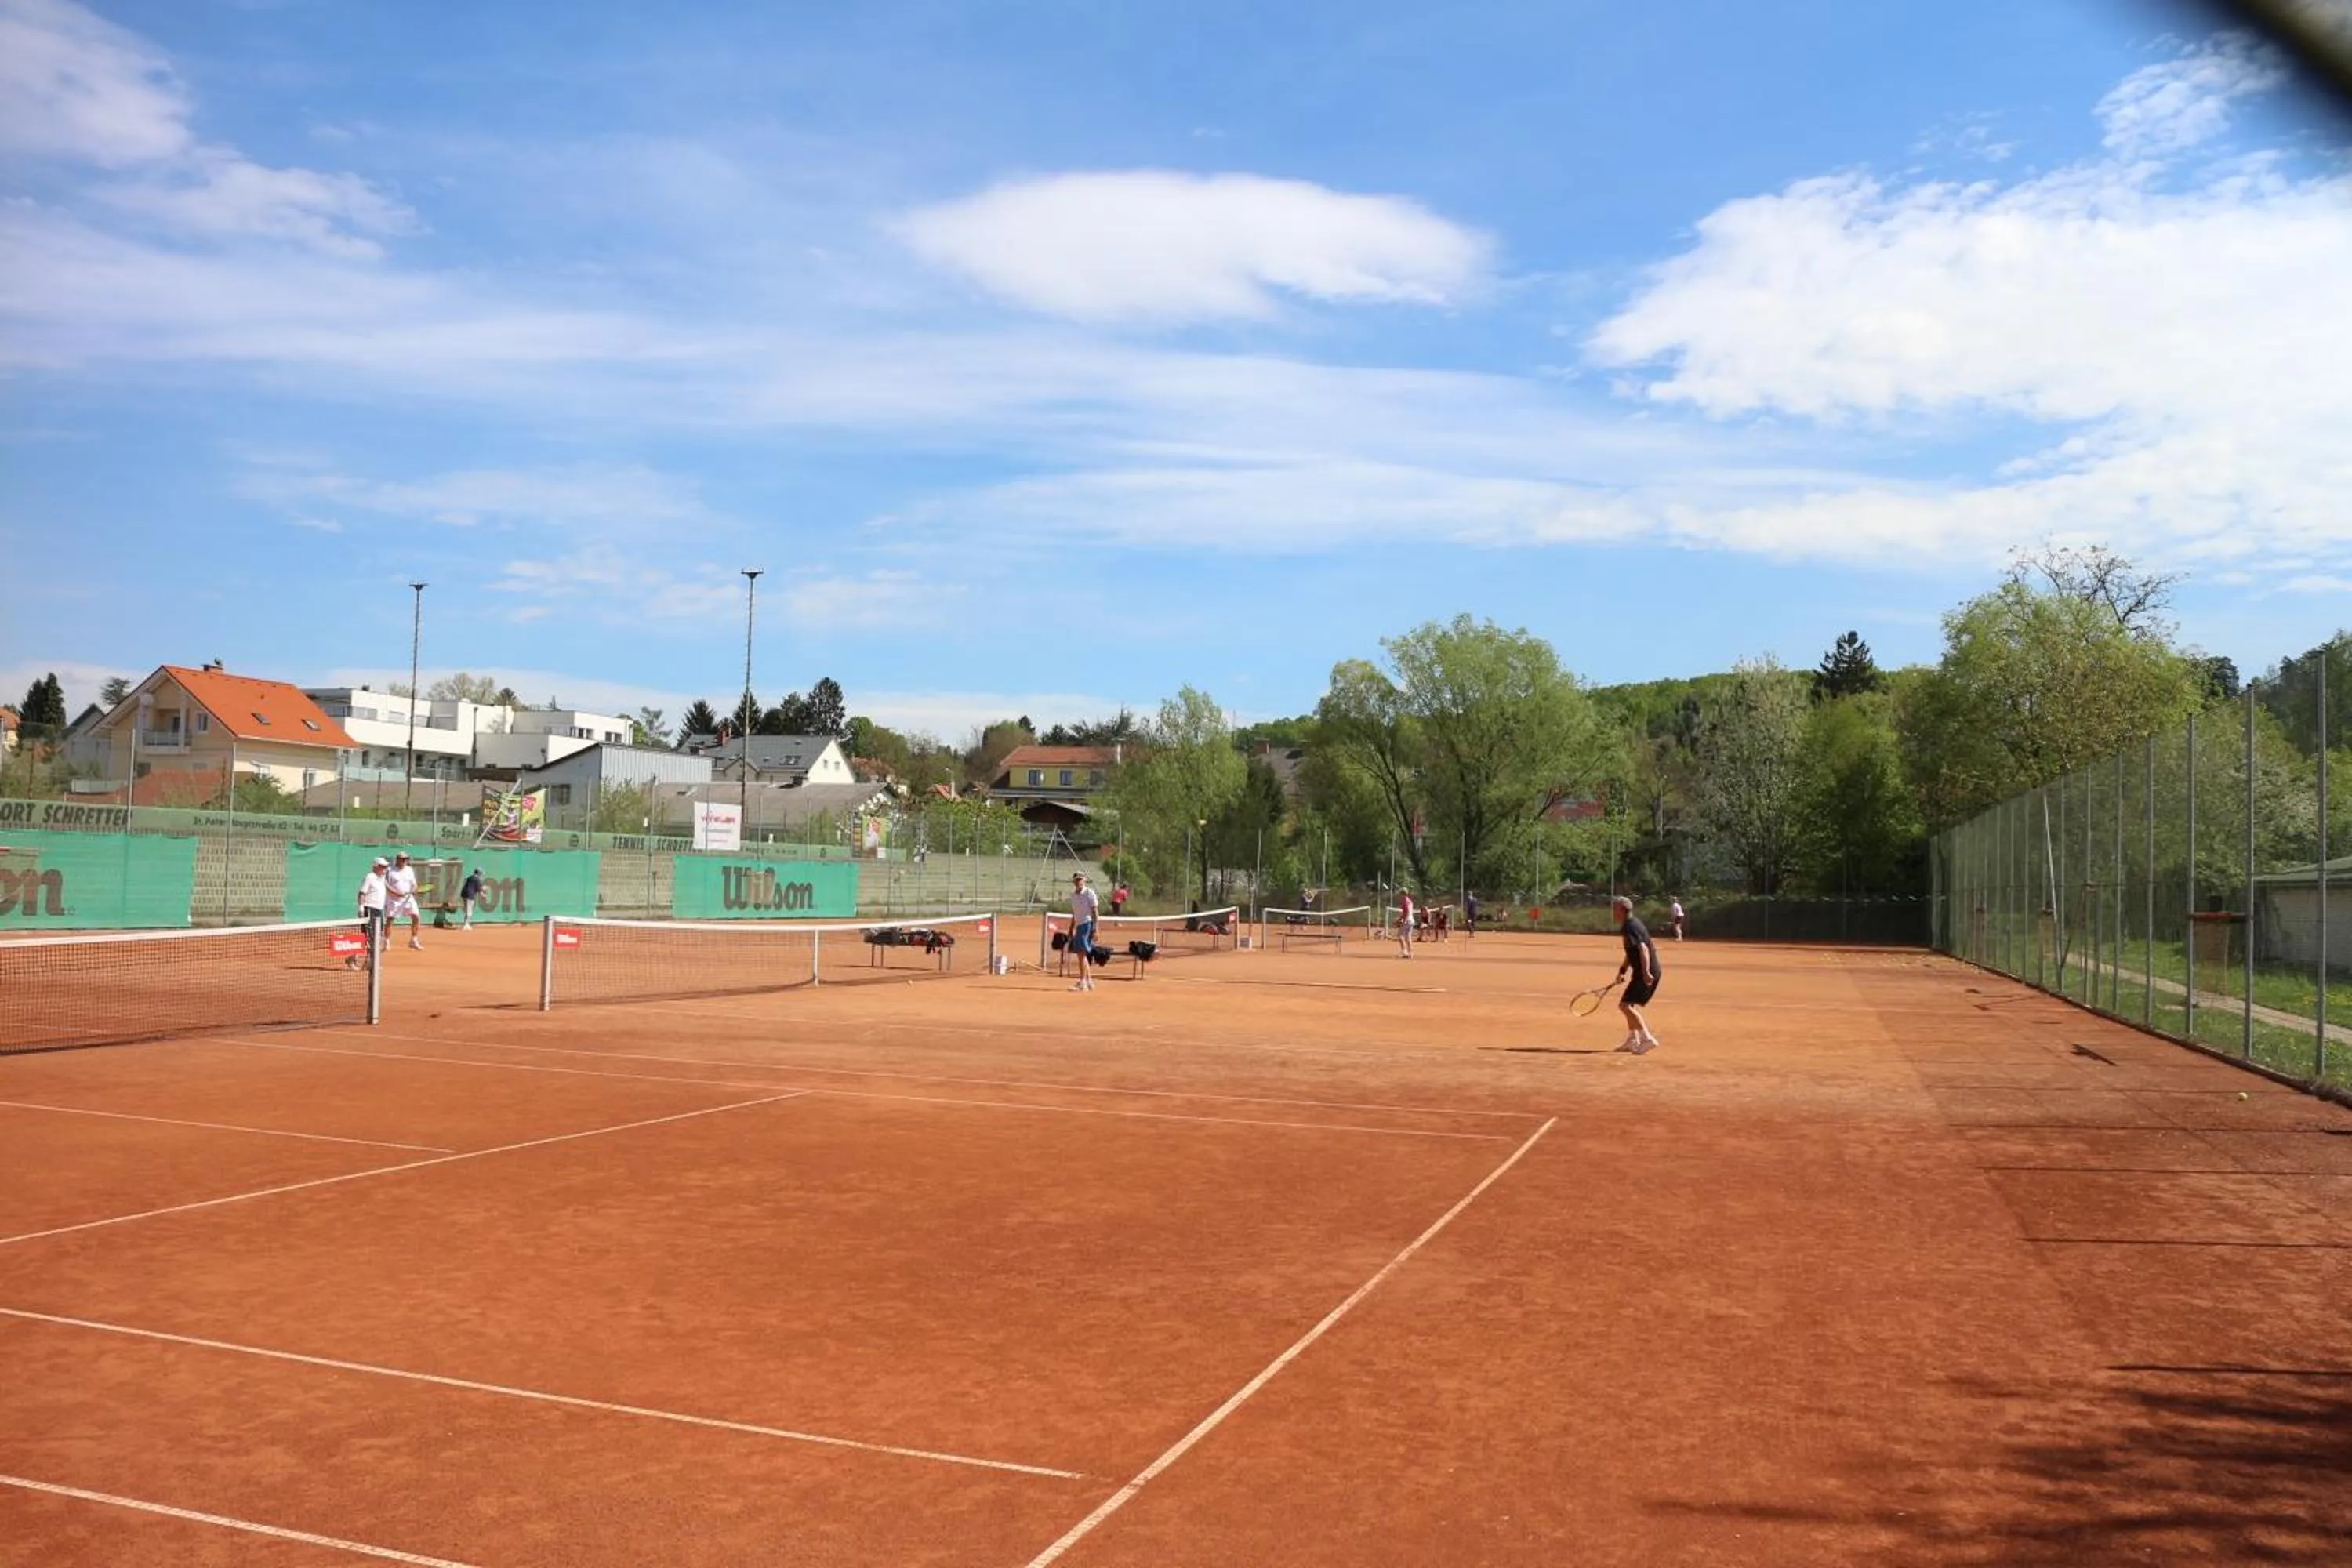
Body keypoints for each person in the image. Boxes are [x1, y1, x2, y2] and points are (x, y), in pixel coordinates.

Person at [1611, 895, 1663, 1054]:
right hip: (1641, 971)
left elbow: (1643, 949)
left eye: (1615, 908)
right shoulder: (1630, 924)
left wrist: (1646, 972)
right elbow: (1631, 952)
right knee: (1628, 1004)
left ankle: (1647, 1039)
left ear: (1621, 910)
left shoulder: (1630, 927)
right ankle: (1633, 1039)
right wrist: (1622, 971)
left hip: (1646, 972)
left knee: (1625, 1006)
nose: (1613, 911)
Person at [351, 855, 389, 969]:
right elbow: (362, 893)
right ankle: (369, 962)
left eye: (385, 867)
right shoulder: (370, 877)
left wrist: (401, 893)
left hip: (378, 911)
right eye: (382, 867)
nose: (384, 869)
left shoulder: (382, 878)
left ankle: (355, 959)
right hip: (369, 909)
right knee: (369, 937)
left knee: (374, 937)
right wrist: (361, 908)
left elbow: (388, 889)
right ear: (375, 867)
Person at [384, 851, 425, 951]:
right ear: (397, 859)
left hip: (408, 899)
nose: (404, 861)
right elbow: (385, 884)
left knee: (416, 917)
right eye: (402, 859)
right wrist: (395, 893)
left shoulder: (409, 870)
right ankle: (386, 942)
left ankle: (413, 940)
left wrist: (415, 889)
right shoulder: (390, 870)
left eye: (406, 859)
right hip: (394, 900)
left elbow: (414, 884)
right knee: (390, 920)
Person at [1069, 872, 1100, 992]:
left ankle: (1083, 982)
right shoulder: (1073, 895)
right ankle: (1088, 981)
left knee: (1081, 954)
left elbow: (1095, 912)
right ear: (1073, 881)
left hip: (1087, 925)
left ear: (1085, 880)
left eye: (1080, 879)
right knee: (1082, 955)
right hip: (1079, 925)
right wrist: (1071, 928)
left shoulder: (1089, 893)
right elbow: (1075, 913)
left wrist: (1096, 928)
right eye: (1076, 880)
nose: (1078, 882)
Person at [459, 865, 486, 929]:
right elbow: (479, 890)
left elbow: (475, 887)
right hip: (470, 896)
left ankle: (466, 924)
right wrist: (483, 894)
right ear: (479, 873)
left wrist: (482, 889)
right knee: (469, 911)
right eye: (481, 873)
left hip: (464, 895)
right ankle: (466, 925)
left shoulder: (470, 877)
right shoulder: (477, 879)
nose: (481, 875)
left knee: (467, 910)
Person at [1395, 888, 1417, 957]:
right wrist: (1400, 919)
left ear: (1403, 894)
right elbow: (1407, 912)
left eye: (1400, 894)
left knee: (1400, 935)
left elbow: (1406, 912)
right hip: (1411, 920)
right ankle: (1410, 953)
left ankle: (1404, 952)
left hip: (1407, 920)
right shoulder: (1410, 901)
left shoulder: (1405, 901)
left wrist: (1402, 920)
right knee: (1408, 937)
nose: (1399, 896)